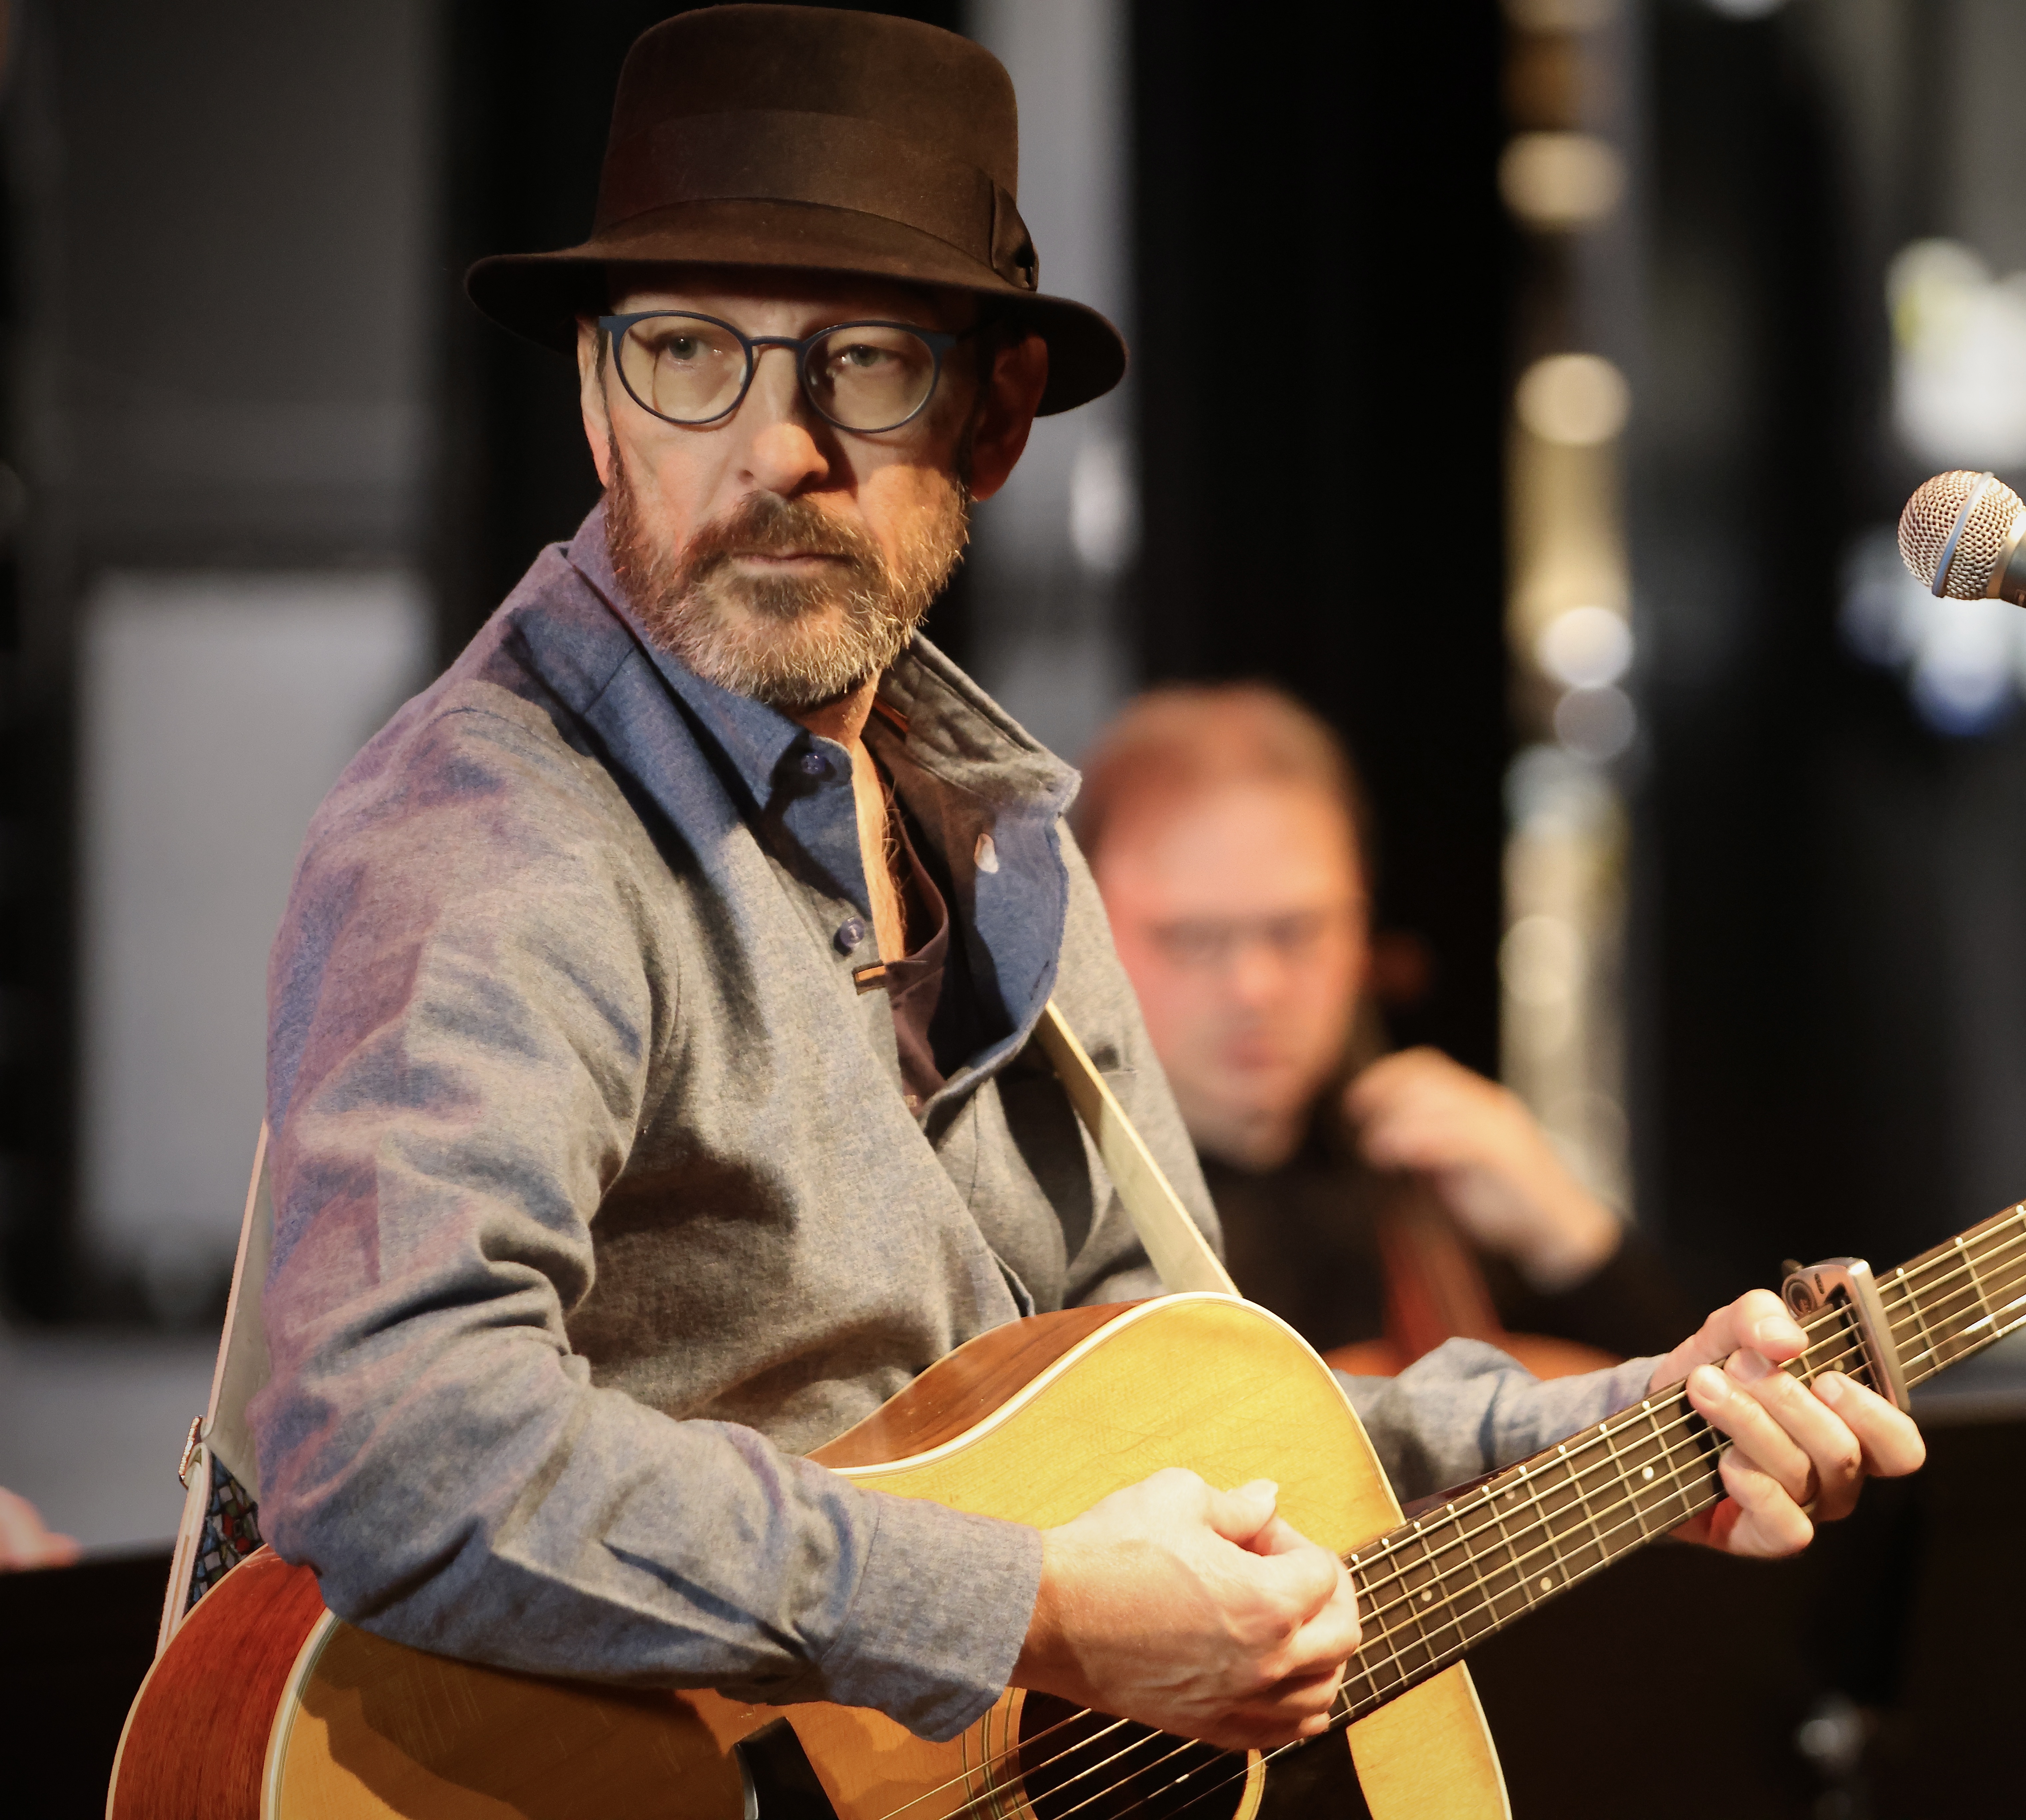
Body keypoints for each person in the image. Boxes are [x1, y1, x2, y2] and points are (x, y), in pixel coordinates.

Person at [243, 6, 1921, 1762]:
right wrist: (1027, 1607)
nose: (772, 447)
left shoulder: (995, 833)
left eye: (866, 364)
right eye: (685, 353)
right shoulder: (495, 832)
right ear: (596, 400)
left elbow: (1207, 1408)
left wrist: (1615, 1429)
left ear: (997, 414)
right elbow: (397, 1443)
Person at [1077, 684, 1698, 1366]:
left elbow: (1697, 1421)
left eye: (1298, 931)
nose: (1256, 987)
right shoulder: (1051, 1224)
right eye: (1191, 937)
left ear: (1361, 924)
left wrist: (1569, 1234)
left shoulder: (1437, 1184)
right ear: (1089, 933)